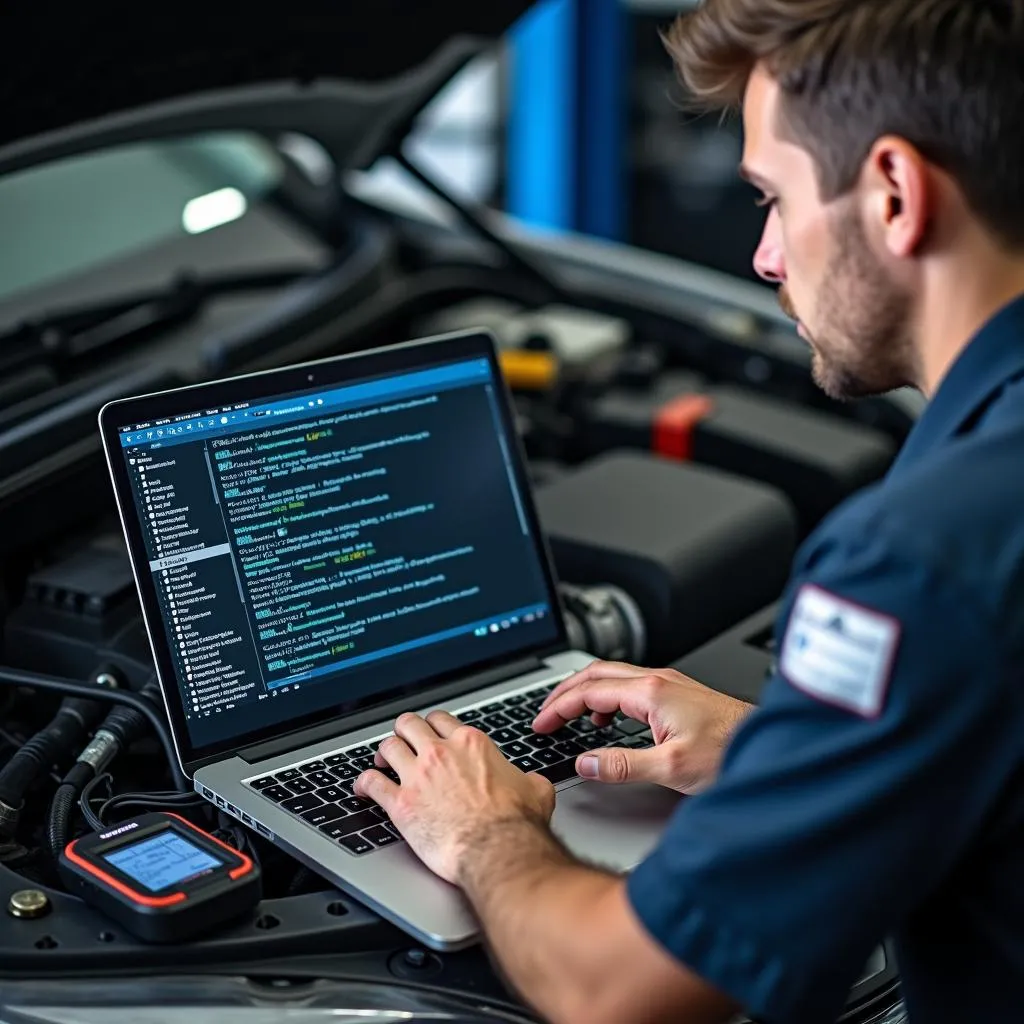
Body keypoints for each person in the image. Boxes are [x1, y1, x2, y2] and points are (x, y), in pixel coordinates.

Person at [353, 1, 1024, 1020]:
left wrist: (484, 828)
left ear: (893, 192)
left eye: (772, 198)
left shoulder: (924, 558)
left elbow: (617, 992)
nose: (763, 257)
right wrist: (786, 756)